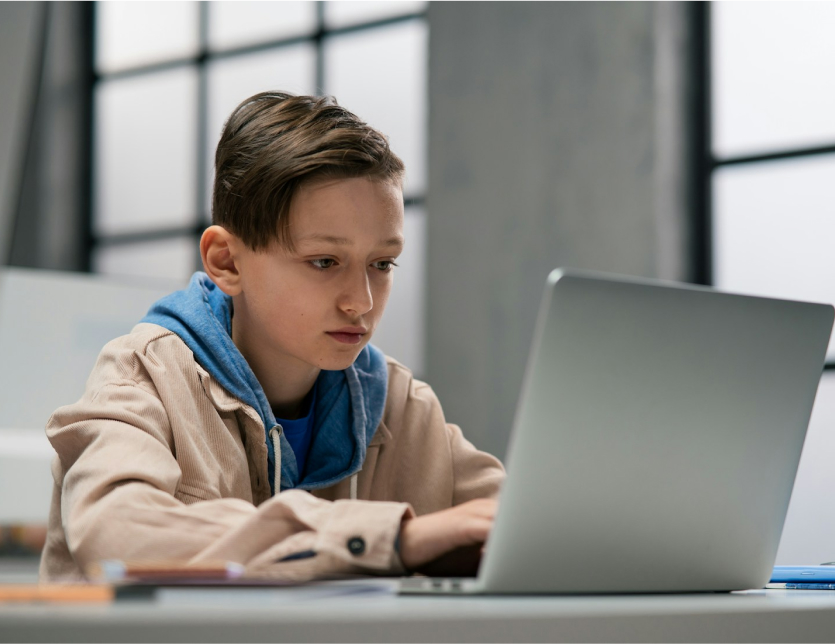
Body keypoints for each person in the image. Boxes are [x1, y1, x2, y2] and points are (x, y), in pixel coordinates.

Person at [40, 92, 505, 582]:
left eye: (382, 263)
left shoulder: (402, 405)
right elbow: (118, 535)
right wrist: (390, 538)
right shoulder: (142, 377)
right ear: (226, 261)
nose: (362, 301)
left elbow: (529, 528)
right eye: (324, 262)